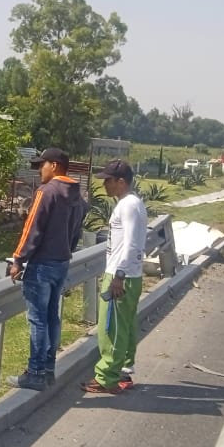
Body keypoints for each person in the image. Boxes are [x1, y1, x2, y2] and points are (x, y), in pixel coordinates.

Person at [7, 148, 84, 391]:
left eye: (42, 165)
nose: (40, 170)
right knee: (52, 316)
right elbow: (76, 232)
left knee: (37, 319)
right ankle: (48, 368)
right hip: (61, 262)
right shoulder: (77, 196)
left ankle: (35, 372)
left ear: (54, 165)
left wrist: (19, 259)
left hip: (41, 265)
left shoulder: (47, 192)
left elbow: (32, 228)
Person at [82, 160, 145, 394]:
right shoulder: (133, 203)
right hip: (130, 274)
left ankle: (106, 377)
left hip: (121, 275)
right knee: (125, 326)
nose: (104, 184)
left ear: (121, 181)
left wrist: (119, 276)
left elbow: (131, 244)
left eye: (108, 180)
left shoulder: (127, 206)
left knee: (111, 328)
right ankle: (123, 371)